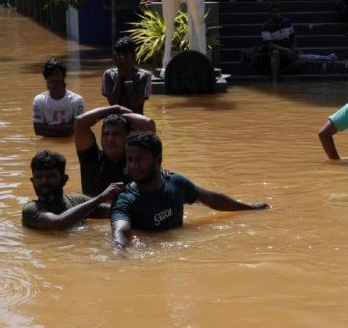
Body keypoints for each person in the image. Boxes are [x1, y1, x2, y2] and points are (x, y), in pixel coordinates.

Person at [110, 132, 269, 248]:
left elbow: (212, 199)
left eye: (140, 159)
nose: (133, 166)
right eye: (130, 159)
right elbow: (121, 232)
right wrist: (119, 255)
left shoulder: (176, 183)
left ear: (158, 160)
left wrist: (249, 208)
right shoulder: (124, 199)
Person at [22, 150, 124, 230]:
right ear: (32, 181)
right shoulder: (31, 210)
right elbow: (58, 224)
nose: (44, 181)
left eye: (50, 176)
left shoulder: (77, 200)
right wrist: (100, 198)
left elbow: (117, 211)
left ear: (64, 180)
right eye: (39, 177)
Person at [74, 104, 157, 196]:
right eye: (106, 134)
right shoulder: (91, 158)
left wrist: (122, 114)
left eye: (116, 134)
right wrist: (115, 108)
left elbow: (149, 124)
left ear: (128, 137)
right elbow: (80, 122)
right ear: (101, 137)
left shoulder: (136, 162)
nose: (110, 139)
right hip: (94, 209)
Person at [32, 58, 84, 137]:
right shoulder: (39, 100)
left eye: (57, 74)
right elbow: (38, 130)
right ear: (46, 78)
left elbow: (79, 127)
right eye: (50, 75)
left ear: (63, 76)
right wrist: (67, 128)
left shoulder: (77, 100)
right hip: (48, 144)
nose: (54, 78)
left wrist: (48, 128)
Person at [101, 36, 153, 114]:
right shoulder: (108, 74)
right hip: (116, 120)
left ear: (134, 57)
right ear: (115, 56)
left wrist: (127, 76)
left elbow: (135, 104)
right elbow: (113, 103)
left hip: (135, 120)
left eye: (126, 56)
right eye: (119, 55)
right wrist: (120, 74)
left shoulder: (144, 76)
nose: (123, 59)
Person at [259, 3, 307, 80]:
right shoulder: (266, 26)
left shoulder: (288, 22)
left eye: (278, 12)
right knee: (275, 53)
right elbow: (269, 45)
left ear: (281, 13)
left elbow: (293, 37)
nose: (276, 14)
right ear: (270, 13)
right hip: (272, 52)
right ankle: (274, 80)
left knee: (303, 59)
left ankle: (280, 72)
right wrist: (286, 50)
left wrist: (294, 48)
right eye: (273, 12)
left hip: (287, 50)